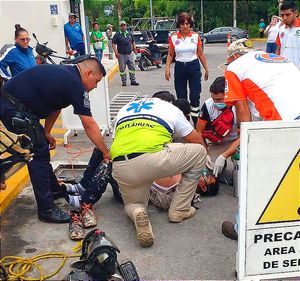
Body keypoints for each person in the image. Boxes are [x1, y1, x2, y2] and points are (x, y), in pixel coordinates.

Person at [0, 57, 110, 224]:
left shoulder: (68, 77)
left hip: (15, 105)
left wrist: (47, 132)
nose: (95, 87)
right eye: (96, 81)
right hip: (12, 107)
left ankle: (53, 189)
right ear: (88, 73)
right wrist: (105, 151)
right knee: (37, 153)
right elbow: (89, 123)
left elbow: (56, 105)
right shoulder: (75, 84)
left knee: (41, 145)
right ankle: (46, 209)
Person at [221, 38, 300, 240]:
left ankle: (242, 229)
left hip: (286, 123)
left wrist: (244, 147)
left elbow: (244, 114)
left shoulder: (235, 68)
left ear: (234, 56)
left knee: (261, 177)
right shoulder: (278, 58)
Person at [110, 93, 207, 247]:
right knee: (199, 153)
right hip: (152, 160)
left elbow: (115, 140)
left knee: (132, 203)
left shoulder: (125, 109)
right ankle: (179, 210)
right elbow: (196, 140)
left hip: (121, 166)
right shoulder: (170, 109)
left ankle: (137, 213)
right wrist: (204, 167)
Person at [165, 12, 209, 126]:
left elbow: (200, 53)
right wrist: (167, 68)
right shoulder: (174, 37)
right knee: (181, 96)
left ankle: (196, 123)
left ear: (190, 24)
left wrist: (206, 69)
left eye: (187, 23)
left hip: (193, 66)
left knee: (195, 96)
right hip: (180, 67)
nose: (185, 26)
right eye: (182, 24)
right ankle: (184, 122)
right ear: (179, 25)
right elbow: (170, 54)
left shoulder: (195, 36)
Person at [196, 76, 238, 177]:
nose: (216, 103)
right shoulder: (208, 105)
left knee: (242, 161)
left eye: (220, 99)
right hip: (219, 142)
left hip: (238, 141)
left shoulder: (239, 106)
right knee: (207, 168)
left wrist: (224, 156)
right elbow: (199, 132)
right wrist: (205, 153)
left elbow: (245, 135)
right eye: (214, 99)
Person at [150, 169, 219, 210]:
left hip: (145, 182)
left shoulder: (183, 194)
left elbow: (164, 203)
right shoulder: (189, 169)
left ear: (204, 188)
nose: (204, 173)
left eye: (207, 177)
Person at [112, 21, 139, 86]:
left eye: (124, 25)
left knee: (132, 68)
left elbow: (133, 42)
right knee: (122, 69)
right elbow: (113, 44)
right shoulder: (117, 35)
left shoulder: (129, 34)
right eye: (122, 26)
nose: (123, 27)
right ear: (120, 27)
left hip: (130, 54)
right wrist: (116, 52)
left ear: (126, 26)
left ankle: (133, 80)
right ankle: (124, 81)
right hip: (121, 55)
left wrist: (134, 49)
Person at [276, 0, 300, 69]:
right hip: (284, 70)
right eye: (282, 15)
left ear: (295, 13)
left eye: (288, 15)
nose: (284, 18)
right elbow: (278, 49)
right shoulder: (281, 29)